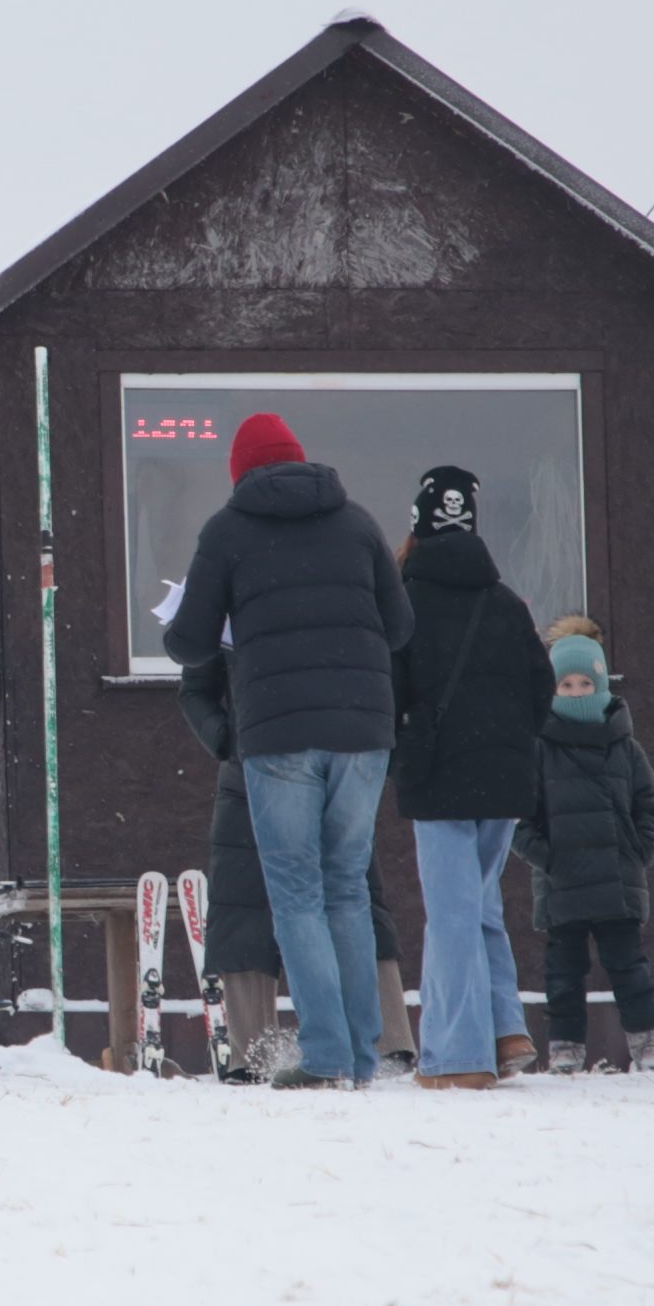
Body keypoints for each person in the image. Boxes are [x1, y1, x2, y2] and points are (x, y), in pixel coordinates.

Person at [162, 412, 414, 1091]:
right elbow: (399, 626)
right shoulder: (358, 523)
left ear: (240, 472)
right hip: (363, 733)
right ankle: (361, 1053)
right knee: (348, 890)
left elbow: (188, 644)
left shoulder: (228, 531)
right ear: (303, 460)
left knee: (297, 894)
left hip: (277, 737)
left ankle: (328, 1053)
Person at [177, 650, 418, 1079]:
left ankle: (387, 1040)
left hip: (328, 756)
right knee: (244, 903)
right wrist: (228, 738)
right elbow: (196, 686)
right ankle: (253, 1052)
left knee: (351, 893)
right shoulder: (232, 600)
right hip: (253, 764)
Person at [391, 465, 553, 1089]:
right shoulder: (506, 602)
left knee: (452, 914)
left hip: (440, 776)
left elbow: (392, 689)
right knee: (482, 905)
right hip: (506, 775)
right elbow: (542, 690)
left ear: (417, 527)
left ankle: (458, 1057)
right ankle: (505, 1029)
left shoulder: (406, 601)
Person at [515, 618, 654, 1073]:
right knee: (563, 975)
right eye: (567, 683)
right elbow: (519, 818)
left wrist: (639, 851)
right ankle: (564, 1048)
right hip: (562, 883)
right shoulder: (539, 747)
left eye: (585, 682)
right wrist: (549, 858)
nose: (577, 691)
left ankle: (649, 1045)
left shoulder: (625, 745)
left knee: (629, 967)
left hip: (617, 880)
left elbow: (650, 805)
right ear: (553, 688)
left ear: (600, 682)